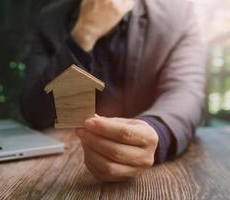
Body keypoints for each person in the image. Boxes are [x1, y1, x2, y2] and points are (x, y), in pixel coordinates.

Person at [21, 0, 204, 181]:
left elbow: (186, 92)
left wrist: (155, 131)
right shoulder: (50, 19)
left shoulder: (177, 13)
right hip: (58, 163)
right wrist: (83, 35)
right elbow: (34, 111)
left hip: (153, 175)